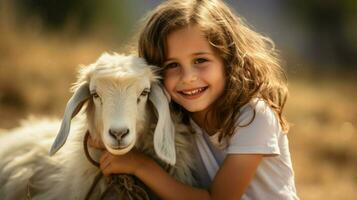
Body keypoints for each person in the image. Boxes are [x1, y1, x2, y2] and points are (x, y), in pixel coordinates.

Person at [89, 0, 299, 199]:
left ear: (228, 59)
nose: (188, 77)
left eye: (200, 60)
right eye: (172, 65)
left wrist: (139, 165)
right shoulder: (176, 116)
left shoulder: (253, 117)